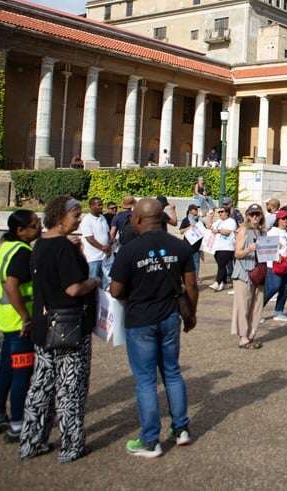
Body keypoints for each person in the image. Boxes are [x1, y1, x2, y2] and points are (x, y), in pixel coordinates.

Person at [111, 198, 198, 458]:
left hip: (141, 320)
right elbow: (191, 285)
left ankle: (150, 440)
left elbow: (115, 290)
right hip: (170, 315)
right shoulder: (179, 246)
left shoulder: (129, 250)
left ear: (137, 219)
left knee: (146, 380)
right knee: (172, 372)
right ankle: (181, 429)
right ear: (161, 219)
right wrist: (191, 313)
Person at [19, 196, 98, 463]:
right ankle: (71, 446)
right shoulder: (64, 247)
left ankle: (31, 441)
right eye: (76, 215)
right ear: (60, 216)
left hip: (43, 326)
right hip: (68, 327)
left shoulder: (40, 244)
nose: (79, 219)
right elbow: (73, 288)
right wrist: (94, 281)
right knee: (70, 389)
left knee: (41, 387)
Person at [0, 210, 40, 442]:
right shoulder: (21, 252)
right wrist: (25, 316)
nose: (39, 228)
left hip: (7, 321)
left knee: (5, 371)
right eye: (35, 225)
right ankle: (17, 423)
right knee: (21, 374)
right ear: (21, 231)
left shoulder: (7, 247)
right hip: (20, 324)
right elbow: (11, 285)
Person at [231, 204, 267, 349]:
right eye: (252, 214)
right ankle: (243, 337)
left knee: (257, 305)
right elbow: (237, 254)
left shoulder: (262, 232)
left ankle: (251, 334)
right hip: (244, 273)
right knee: (243, 305)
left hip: (258, 272)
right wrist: (248, 249)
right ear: (247, 216)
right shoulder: (243, 230)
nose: (255, 217)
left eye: (257, 214)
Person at [263, 208, 287, 321]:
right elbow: (266, 246)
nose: (286, 220)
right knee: (273, 287)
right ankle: (257, 309)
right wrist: (276, 255)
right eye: (283, 218)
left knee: (285, 287)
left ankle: (279, 310)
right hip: (274, 264)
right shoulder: (272, 231)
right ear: (278, 220)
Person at [79, 197, 112, 286]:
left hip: (104, 258)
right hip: (93, 258)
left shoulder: (102, 218)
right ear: (91, 206)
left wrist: (109, 245)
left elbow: (108, 234)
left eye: (101, 204)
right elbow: (89, 239)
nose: (101, 207)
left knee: (105, 284)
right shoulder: (87, 220)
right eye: (99, 205)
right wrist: (103, 248)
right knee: (92, 284)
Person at [209, 206, 237, 292]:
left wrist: (217, 231)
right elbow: (210, 227)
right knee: (221, 265)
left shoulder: (231, 221)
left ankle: (217, 282)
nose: (220, 213)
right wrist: (210, 217)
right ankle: (223, 283)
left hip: (227, 247)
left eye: (222, 211)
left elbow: (228, 232)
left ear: (227, 212)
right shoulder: (219, 221)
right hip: (217, 247)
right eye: (219, 212)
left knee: (221, 264)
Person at [179, 205, 204, 279]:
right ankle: (186, 278)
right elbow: (181, 231)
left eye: (197, 209)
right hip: (187, 246)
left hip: (197, 246)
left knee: (196, 263)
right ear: (190, 211)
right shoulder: (186, 220)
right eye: (195, 209)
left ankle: (195, 278)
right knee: (186, 263)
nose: (197, 210)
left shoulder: (199, 220)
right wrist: (189, 227)